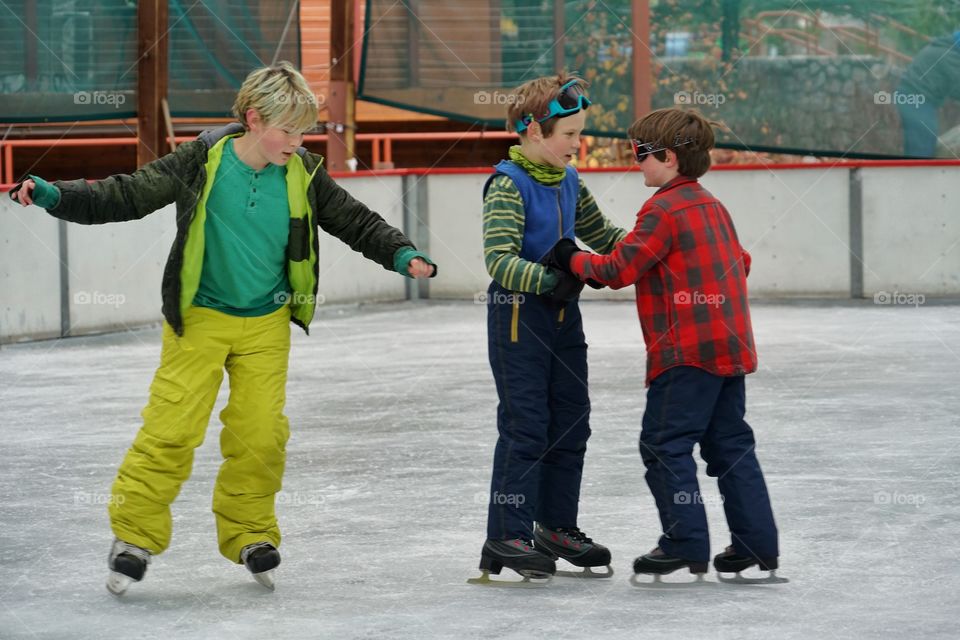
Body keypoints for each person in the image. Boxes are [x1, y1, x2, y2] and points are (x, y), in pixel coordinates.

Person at [9, 61, 437, 595]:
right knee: (171, 430)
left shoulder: (302, 170)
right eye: (288, 130)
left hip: (266, 322)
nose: (297, 142)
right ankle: (133, 537)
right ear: (254, 119)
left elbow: (354, 220)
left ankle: (250, 534)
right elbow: (128, 194)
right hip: (201, 319)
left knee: (260, 435)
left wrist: (402, 253)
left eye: (304, 131)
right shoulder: (202, 159)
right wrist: (55, 195)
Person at [550, 108, 780, 583]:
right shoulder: (712, 205)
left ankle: (685, 541)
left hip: (685, 354)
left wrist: (573, 258)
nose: (636, 163)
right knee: (731, 445)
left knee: (664, 446)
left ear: (668, 157)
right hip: (729, 350)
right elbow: (742, 262)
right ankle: (756, 544)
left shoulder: (662, 209)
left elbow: (619, 269)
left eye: (640, 154)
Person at [473, 73, 626, 584]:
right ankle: (508, 532)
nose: (577, 144)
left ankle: (556, 526)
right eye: (569, 135)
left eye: (579, 133)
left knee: (572, 419)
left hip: (563, 315)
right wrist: (548, 280)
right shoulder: (507, 185)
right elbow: (498, 259)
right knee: (526, 425)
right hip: (519, 316)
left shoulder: (569, 180)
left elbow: (603, 234)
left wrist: (656, 250)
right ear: (533, 131)